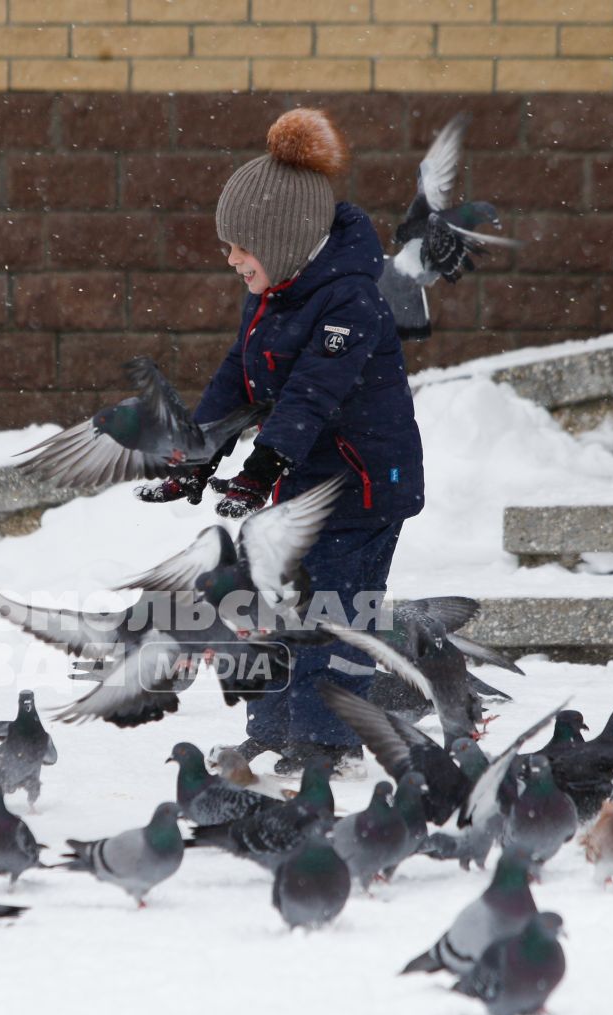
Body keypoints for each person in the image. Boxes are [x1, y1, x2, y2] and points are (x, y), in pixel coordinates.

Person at [147, 107, 424, 774]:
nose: (231, 258)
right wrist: (197, 454)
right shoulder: (277, 292)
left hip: (363, 492)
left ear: (285, 241)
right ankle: (272, 727)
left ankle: (328, 740)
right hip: (305, 487)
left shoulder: (351, 301)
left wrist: (263, 461)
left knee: (334, 616)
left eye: (242, 246)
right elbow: (238, 376)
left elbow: (312, 395)